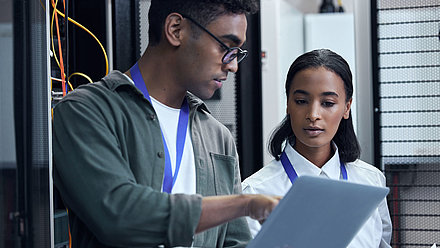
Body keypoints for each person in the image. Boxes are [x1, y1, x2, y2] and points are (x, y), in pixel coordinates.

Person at [52, 1, 280, 247]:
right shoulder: (86, 112)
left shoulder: (218, 137)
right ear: (175, 29)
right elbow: (119, 216)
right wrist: (245, 204)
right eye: (226, 46)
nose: (233, 65)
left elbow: (235, 241)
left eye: (238, 53)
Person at [242, 49, 392, 247]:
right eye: (301, 101)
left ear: (347, 107)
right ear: (288, 104)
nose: (313, 114)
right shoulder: (255, 192)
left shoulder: (371, 182)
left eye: (328, 103)